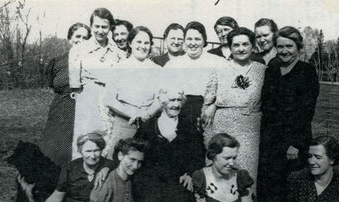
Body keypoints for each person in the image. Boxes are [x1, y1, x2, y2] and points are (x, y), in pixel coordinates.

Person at [131, 88, 205, 202]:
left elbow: (198, 154)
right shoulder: (148, 127)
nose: (176, 104)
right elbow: (136, 151)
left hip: (179, 179)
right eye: (172, 100)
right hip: (152, 180)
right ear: (162, 102)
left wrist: (191, 173)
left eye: (179, 101)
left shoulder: (187, 126)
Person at [257, 26, 319, 202]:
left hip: (294, 140)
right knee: (269, 180)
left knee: (289, 183)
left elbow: (306, 112)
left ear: (298, 47)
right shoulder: (272, 70)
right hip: (270, 137)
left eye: (289, 46)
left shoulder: (307, 72)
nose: (284, 51)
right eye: (280, 46)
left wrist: (296, 144)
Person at [202, 27, 265, 196]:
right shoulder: (219, 68)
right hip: (222, 127)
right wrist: (209, 137)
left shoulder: (262, 70)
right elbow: (208, 102)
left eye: (245, 44)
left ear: (253, 46)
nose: (241, 48)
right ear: (230, 47)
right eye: (236, 45)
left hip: (250, 129)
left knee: (246, 175)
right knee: (220, 173)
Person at [69, 7, 125, 159]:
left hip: (112, 100)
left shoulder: (119, 53)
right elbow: (75, 84)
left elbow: (122, 80)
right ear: (92, 26)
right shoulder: (78, 50)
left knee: (109, 140)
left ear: (110, 28)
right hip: (88, 101)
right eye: (97, 26)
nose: (100, 30)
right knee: (86, 141)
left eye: (104, 27)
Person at [104, 26, 162, 159]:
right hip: (124, 123)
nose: (143, 46)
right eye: (139, 42)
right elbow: (109, 99)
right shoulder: (118, 67)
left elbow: (161, 98)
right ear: (130, 43)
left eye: (146, 43)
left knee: (146, 163)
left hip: (148, 125)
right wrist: (133, 114)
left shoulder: (157, 70)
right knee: (117, 162)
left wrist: (145, 115)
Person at [40, 23, 91, 167]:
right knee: (51, 150)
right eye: (78, 36)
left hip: (82, 111)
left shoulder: (92, 63)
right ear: (70, 39)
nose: (81, 40)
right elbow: (52, 85)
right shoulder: (57, 62)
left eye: (86, 38)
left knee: (74, 151)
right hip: (59, 110)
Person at [166, 21, 226, 127]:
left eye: (197, 39)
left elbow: (227, 91)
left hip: (210, 114)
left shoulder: (218, 62)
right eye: (189, 39)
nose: (193, 43)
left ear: (204, 41)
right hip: (180, 114)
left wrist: (213, 106)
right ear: (184, 41)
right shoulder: (173, 64)